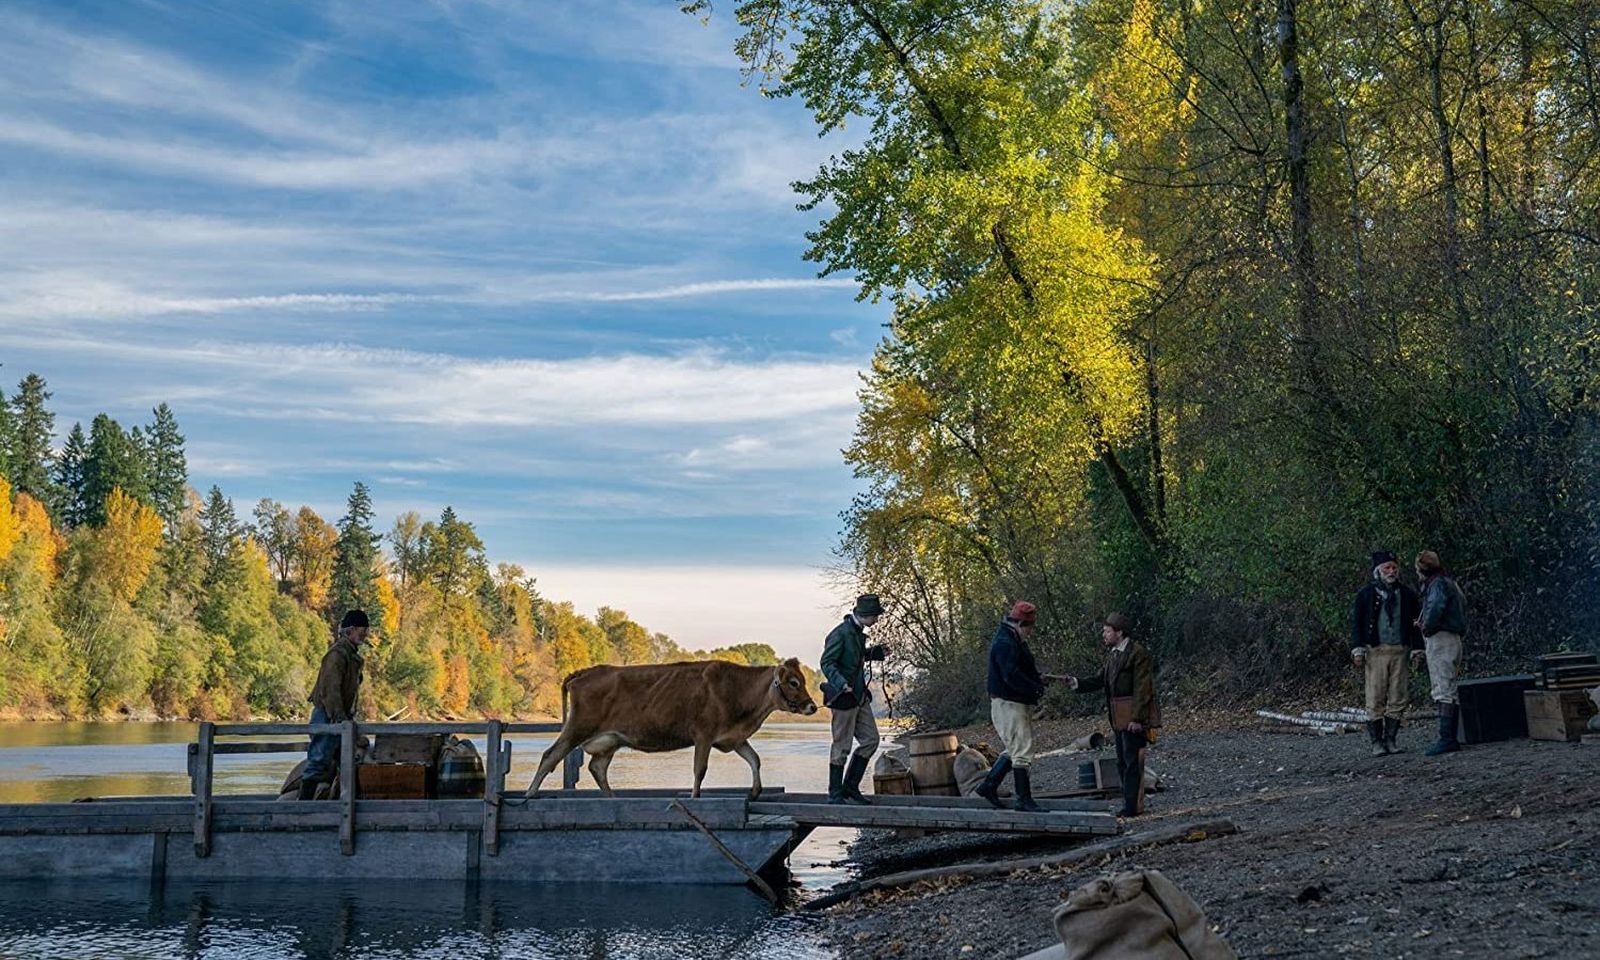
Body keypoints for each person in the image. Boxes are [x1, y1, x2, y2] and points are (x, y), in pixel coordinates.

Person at [1065, 613, 1159, 817]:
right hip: (1118, 717)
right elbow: (1100, 679)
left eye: (1107, 631)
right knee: (1122, 761)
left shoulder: (1137, 653)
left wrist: (1137, 718)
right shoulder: (1114, 654)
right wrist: (1076, 682)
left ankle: (1132, 807)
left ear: (1120, 632)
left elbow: (1143, 688)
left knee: (1131, 761)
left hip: (1132, 716)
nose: (1104, 635)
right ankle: (1129, 803)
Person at [974, 601, 1053, 813]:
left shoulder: (1011, 639)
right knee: (1022, 751)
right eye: (1029, 627)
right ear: (1020, 624)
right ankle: (1023, 800)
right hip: (1009, 702)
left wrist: (1036, 679)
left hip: (1010, 701)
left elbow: (1019, 670)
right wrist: (1035, 688)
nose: (1030, 632)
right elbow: (1011, 676)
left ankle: (989, 786)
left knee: (1015, 749)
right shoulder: (1006, 643)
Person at [1350, 550, 1424, 756]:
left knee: (1398, 696)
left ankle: (1391, 740)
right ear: (1378, 571)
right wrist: (1357, 649)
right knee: (1375, 696)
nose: (1391, 571)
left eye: (1394, 568)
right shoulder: (1366, 594)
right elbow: (1357, 623)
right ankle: (1376, 742)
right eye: (1387, 568)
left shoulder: (1407, 595)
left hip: (1400, 650)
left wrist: (1418, 649)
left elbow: (1416, 624)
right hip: (1376, 651)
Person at [820, 594, 887, 805]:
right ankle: (835, 794)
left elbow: (854, 657)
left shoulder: (856, 632)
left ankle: (850, 788)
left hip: (859, 696)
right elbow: (827, 663)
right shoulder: (840, 634)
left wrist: (875, 653)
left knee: (871, 740)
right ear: (866, 615)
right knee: (842, 746)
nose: (877, 619)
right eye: (875, 616)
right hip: (843, 697)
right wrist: (841, 683)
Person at [298, 609, 370, 800]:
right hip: (328, 716)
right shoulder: (337, 655)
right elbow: (331, 691)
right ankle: (302, 807)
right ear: (350, 630)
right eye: (362, 630)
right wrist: (340, 720)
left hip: (339, 717)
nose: (365, 634)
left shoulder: (350, 656)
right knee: (318, 761)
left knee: (345, 761)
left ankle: (345, 803)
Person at [1415, 551, 1468, 756]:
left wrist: (1426, 626)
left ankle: (1447, 738)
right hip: (1452, 637)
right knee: (1447, 685)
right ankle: (1448, 737)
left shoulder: (1437, 584)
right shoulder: (1448, 582)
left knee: (1443, 687)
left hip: (1441, 639)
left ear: (1422, 568)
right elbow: (1462, 603)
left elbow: (1436, 607)